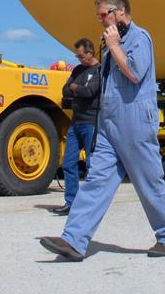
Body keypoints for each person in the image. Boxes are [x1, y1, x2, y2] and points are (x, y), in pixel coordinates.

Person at [40, 0, 165, 261]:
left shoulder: (140, 38)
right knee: (95, 180)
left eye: (103, 15)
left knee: (148, 181)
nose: (100, 21)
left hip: (135, 121)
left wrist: (115, 46)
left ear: (118, 12)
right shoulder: (110, 45)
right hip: (109, 123)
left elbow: (134, 73)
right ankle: (74, 240)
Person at [51, 38, 102, 216]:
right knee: (69, 163)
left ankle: (90, 205)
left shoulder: (99, 71)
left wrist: (75, 88)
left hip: (91, 123)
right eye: (77, 56)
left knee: (90, 165)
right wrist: (76, 87)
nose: (79, 59)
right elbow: (65, 89)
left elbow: (90, 92)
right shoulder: (79, 70)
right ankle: (71, 202)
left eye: (81, 56)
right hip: (76, 122)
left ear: (90, 53)